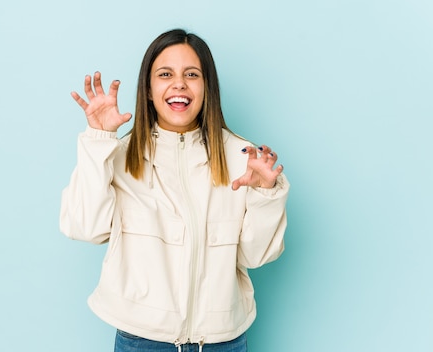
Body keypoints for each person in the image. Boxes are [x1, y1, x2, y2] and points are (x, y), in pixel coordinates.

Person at [60, 28, 289, 352]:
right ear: (149, 89)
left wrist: (266, 192)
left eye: (192, 74)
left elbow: (256, 256)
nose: (179, 83)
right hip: (142, 341)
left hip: (223, 341)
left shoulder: (244, 159)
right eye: (165, 74)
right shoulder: (119, 155)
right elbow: (84, 227)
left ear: (207, 87)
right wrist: (98, 139)